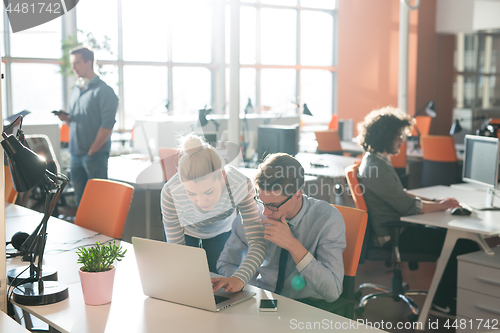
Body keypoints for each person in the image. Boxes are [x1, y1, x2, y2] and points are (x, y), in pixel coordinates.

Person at [356, 106, 479, 316]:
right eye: (399, 136)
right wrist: (442, 205)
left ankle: (447, 296)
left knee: (454, 238)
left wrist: (436, 201)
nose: (402, 141)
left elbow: (402, 195)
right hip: (394, 235)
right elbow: (406, 206)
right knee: (461, 243)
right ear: (387, 137)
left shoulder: (376, 161)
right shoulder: (376, 168)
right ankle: (442, 300)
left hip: (399, 229)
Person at [216, 153, 345, 303]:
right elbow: (226, 263)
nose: (265, 212)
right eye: (261, 201)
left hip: (306, 305)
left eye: (273, 205)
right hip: (258, 298)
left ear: (297, 195)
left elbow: (333, 292)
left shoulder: (328, 219)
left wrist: (292, 245)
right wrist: (244, 281)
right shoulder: (253, 214)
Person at [161, 134, 266, 293]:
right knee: (188, 284)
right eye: (192, 194)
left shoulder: (240, 185)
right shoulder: (171, 192)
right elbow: (178, 253)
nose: (201, 202)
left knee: (218, 283)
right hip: (186, 230)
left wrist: (239, 278)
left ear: (222, 176)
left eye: (208, 192)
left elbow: (257, 243)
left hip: (220, 229)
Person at [55, 46, 118, 206]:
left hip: (94, 156)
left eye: (77, 62)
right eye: (72, 63)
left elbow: (107, 125)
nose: (73, 67)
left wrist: (92, 151)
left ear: (89, 62)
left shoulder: (105, 91)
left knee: (98, 203)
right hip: (75, 154)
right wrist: (66, 119)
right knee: (80, 202)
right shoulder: (76, 90)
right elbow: (76, 121)